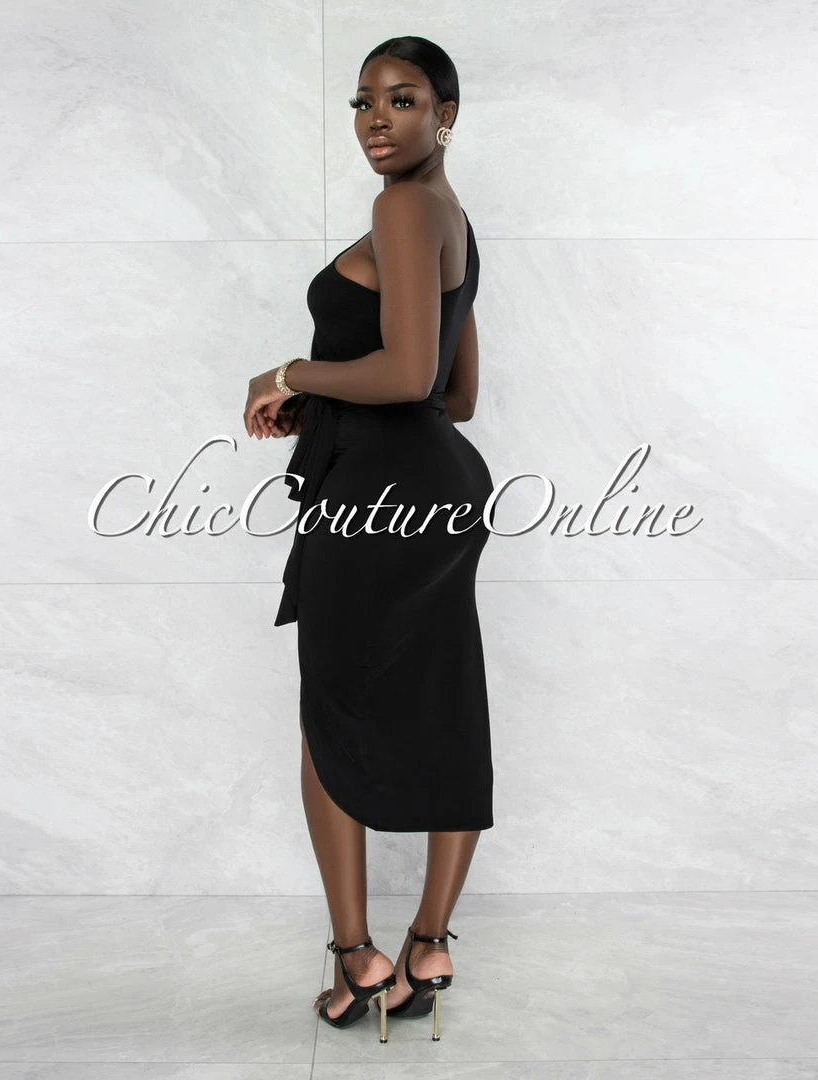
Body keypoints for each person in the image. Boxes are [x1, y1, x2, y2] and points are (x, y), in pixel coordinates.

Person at [243, 36, 496, 1044]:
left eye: (401, 99)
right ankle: (430, 942)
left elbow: (405, 375)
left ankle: (358, 962)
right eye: (361, 102)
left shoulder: (401, 211)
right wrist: (325, 406)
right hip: (440, 490)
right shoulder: (452, 218)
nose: (375, 120)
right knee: (445, 701)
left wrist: (294, 375)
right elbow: (455, 396)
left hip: (376, 501)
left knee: (332, 709)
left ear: (446, 114)